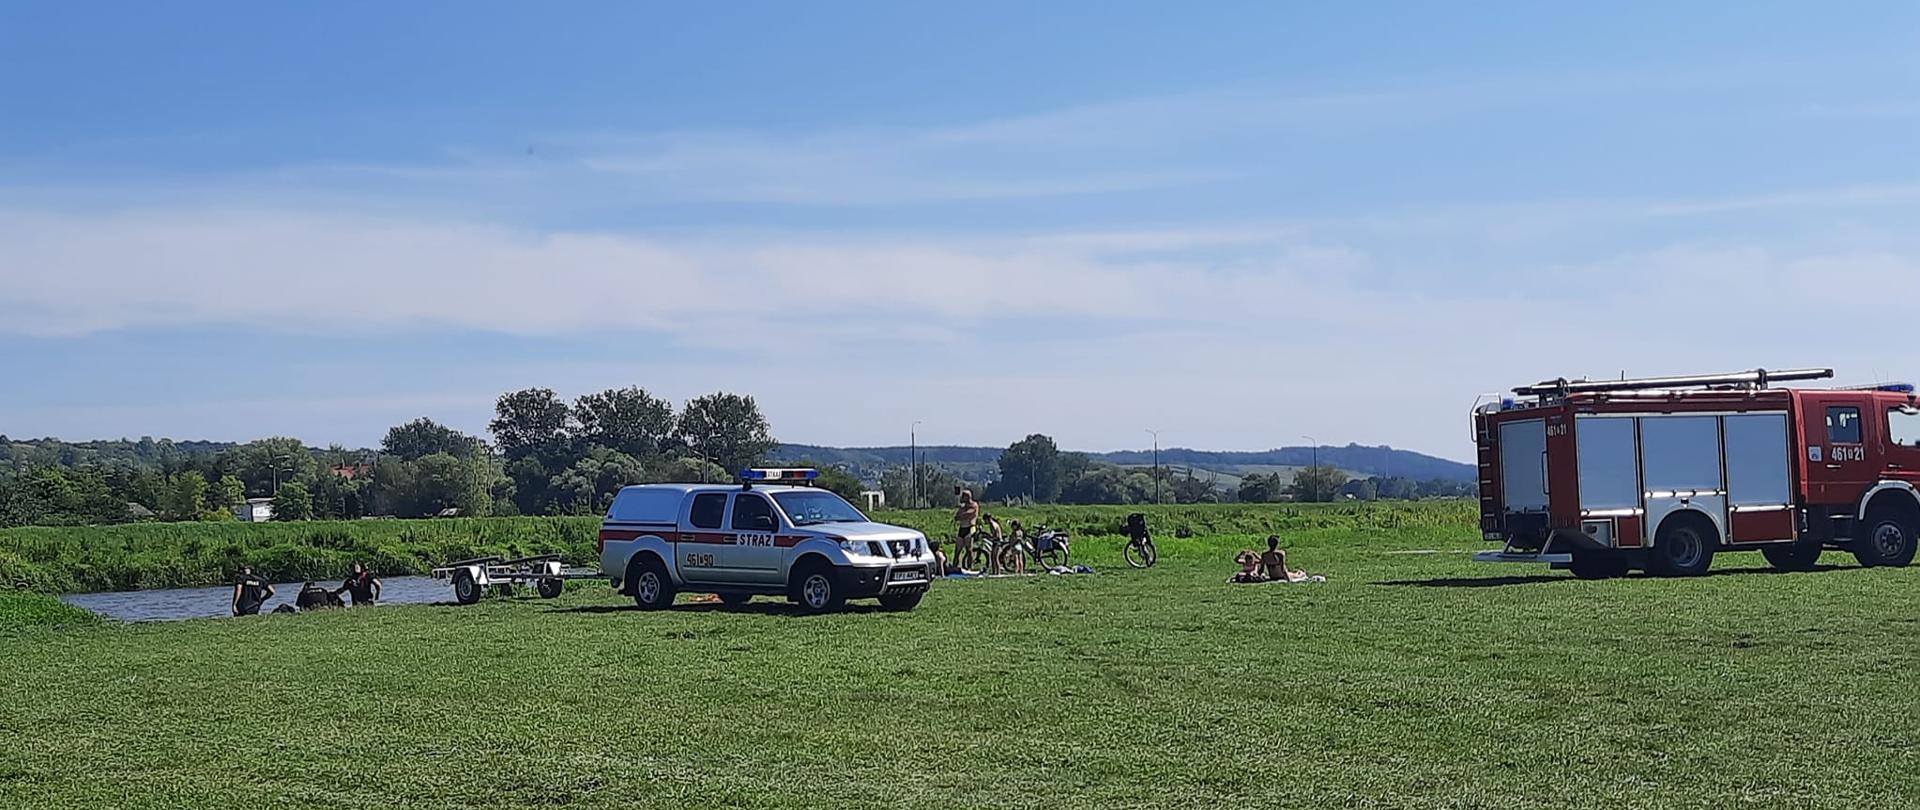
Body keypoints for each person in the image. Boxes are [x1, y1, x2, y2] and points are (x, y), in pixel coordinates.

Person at [953, 489, 981, 568]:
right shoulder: (963, 507)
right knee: (957, 550)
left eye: (963, 496)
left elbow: (969, 514)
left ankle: (970, 566)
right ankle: (955, 566)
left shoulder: (974, 505)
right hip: (962, 528)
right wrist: (961, 515)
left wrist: (962, 515)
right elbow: (957, 517)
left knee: (969, 550)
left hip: (970, 527)